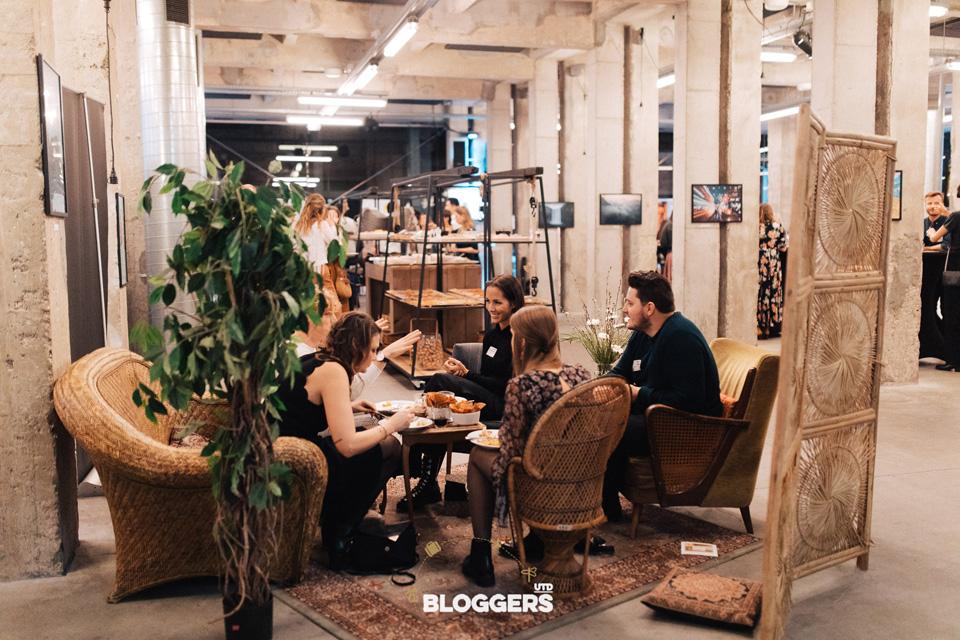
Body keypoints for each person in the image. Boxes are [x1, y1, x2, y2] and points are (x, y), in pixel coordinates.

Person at [460, 306, 591, 587]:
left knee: (477, 455)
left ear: (520, 343)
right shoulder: (581, 375)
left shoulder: (522, 385)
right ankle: (534, 541)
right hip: (581, 481)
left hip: (538, 484)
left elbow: (510, 450)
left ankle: (480, 555)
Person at [277, 312, 413, 569]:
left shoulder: (321, 359)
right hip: (293, 456)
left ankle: (340, 521)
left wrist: (349, 405)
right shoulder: (334, 371)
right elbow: (347, 446)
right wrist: (391, 425)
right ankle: (340, 533)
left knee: (379, 443)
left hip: (289, 443)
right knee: (385, 447)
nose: (374, 356)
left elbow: (303, 404)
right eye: (372, 350)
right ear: (355, 346)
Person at [602, 271, 723, 520]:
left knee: (611, 426)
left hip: (684, 428)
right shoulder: (642, 334)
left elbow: (688, 400)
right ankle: (596, 502)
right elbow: (620, 372)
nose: (624, 309)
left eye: (630, 303)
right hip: (654, 416)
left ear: (649, 308)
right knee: (597, 417)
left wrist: (638, 393)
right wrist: (601, 388)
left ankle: (605, 508)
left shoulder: (681, 338)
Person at [398, 275, 525, 512]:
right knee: (440, 412)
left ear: (514, 303)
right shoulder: (492, 336)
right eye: (488, 301)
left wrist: (466, 376)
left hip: (504, 403)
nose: (491, 308)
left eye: (497, 302)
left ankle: (416, 453)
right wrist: (465, 375)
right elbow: (487, 379)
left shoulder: (519, 337)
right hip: (488, 396)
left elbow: (505, 385)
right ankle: (428, 481)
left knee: (440, 381)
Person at [294, 195, 342, 349]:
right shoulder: (322, 225)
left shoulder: (298, 226)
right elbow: (335, 243)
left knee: (309, 307)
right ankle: (334, 341)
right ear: (322, 210)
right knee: (332, 307)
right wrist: (332, 225)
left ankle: (311, 341)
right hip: (321, 271)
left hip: (303, 272)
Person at [926, 198, 960, 372]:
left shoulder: (956, 216)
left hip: (955, 271)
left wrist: (931, 232)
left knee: (951, 315)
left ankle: (954, 361)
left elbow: (935, 238)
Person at [757, 203, 789, 339]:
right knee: (774, 293)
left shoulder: (758, 227)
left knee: (762, 293)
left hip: (762, 263)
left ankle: (761, 327)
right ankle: (772, 327)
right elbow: (784, 247)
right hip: (774, 263)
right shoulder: (778, 226)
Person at [656, 202, 673, 282]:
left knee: (669, 278)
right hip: (671, 254)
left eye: (662, 213)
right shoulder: (669, 225)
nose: (661, 215)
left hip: (669, 254)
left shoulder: (667, 224)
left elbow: (663, 242)